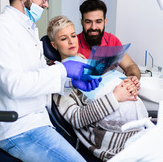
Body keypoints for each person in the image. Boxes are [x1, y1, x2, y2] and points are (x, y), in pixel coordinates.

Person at [0, 0, 100, 162]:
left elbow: (37, 76)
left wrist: (70, 83)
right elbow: (14, 85)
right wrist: (63, 69)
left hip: (36, 119)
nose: (46, 3)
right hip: (16, 128)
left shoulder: (27, 30)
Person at [47, 15, 149, 161]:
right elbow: (77, 118)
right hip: (117, 142)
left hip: (141, 130)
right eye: (63, 39)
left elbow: (108, 84)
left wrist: (129, 83)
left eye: (73, 35)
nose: (71, 41)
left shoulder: (88, 62)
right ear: (54, 45)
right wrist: (116, 97)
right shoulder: (58, 81)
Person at [78, 0, 141, 89]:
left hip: (109, 93)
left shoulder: (112, 40)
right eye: (88, 22)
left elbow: (130, 65)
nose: (93, 27)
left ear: (105, 22)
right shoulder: (72, 43)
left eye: (98, 21)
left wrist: (132, 77)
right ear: (82, 22)